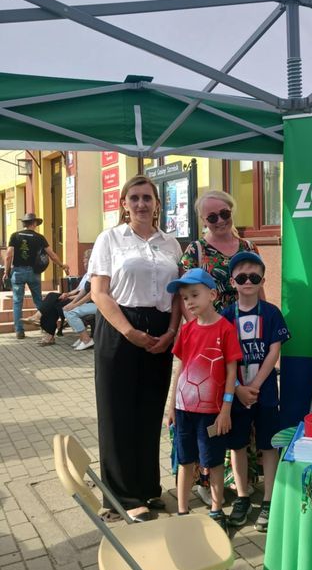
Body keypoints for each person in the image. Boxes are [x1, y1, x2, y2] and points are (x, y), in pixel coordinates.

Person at [89, 175, 182, 523]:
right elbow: (99, 293)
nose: (141, 204)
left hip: (160, 329)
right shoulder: (110, 239)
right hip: (120, 326)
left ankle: (147, 487)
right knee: (117, 413)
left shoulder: (170, 243)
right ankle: (122, 497)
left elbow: (177, 295)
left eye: (147, 197)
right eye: (135, 198)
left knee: (149, 410)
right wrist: (128, 331)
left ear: (157, 204)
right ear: (124, 204)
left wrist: (171, 331)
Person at [180, 189, 263, 504]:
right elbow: (185, 298)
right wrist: (192, 335)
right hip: (210, 340)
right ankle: (207, 478)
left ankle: (242, 477)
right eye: (211, 217)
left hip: (245, 335)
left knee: (241, 407)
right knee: (209, 406)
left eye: (224, 214)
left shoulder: (249, 247)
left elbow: (258, 289)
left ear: (232, 211)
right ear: (203, 220)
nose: (219, 221)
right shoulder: (196, 251)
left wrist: (264, 323)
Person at [166, 268, 242, 532]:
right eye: (185, 297)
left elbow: (232, 372)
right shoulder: (187, 330)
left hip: (212, 412)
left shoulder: (226, 329)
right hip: (184, 409)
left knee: (213, 461)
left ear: (212, 294)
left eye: (194, 295)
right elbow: (180, 368)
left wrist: (226, 409)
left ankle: (216, 509)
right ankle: (182, 510)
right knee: (185, 460)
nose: (189, 302)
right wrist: (172, 406)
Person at [221, 251, 290, 531]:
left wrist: (256, 386)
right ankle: (242, 497)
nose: (248, 281)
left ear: (263, 280)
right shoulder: (226, 316)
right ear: (232, 282)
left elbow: (274, 352)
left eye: (254, 277)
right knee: (237, 445)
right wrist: (238, 389)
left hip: (265, 392)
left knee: (268, 445)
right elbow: (224, 358)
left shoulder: (271, 313)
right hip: (236, 393)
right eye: (241, 278)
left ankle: (269, 499)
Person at [5, 213, 69, 339]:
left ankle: (19, 331)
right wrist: (62, 265)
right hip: (34, 272)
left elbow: (8, 255)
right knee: (39, 301)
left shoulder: (15, 236)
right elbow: (52, 255)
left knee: (17, 302)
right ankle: (45, 329)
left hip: (18, 271)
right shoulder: (39, 237)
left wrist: (7, 272)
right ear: (34, 223)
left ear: (24, 223)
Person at [24, 249, 94, 346]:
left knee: (52, 302)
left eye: (86, 262)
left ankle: (45, 328)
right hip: (76, 297)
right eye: (83, 261)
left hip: (83, 301)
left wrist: (71, 299)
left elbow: (87, 293)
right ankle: (41, 323)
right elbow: (77, 289)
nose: (84, 264)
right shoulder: (87, 275)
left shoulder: (93, 275)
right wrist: (67, 294)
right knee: (52, 300)